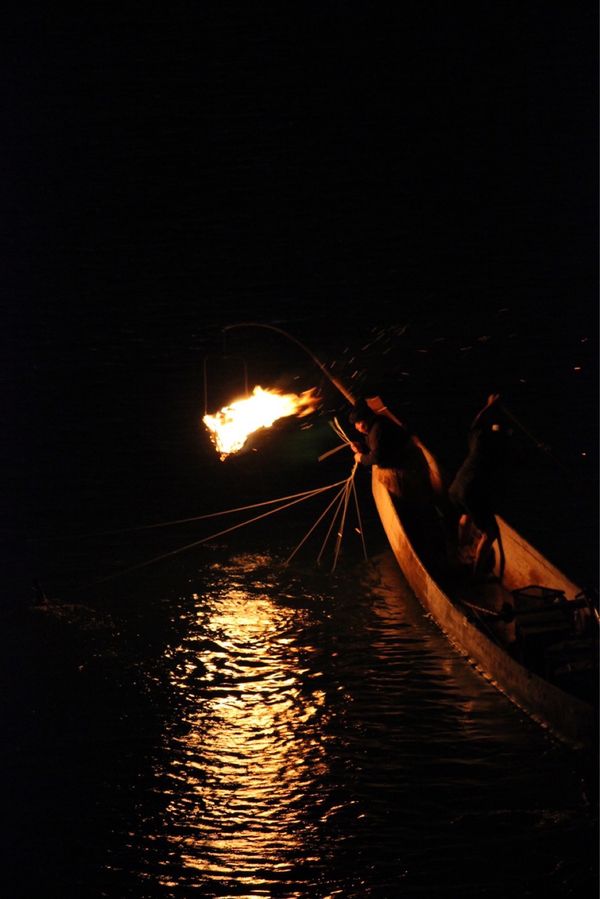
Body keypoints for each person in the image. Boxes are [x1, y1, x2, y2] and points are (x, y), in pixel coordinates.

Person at [349, 399, 441, 554]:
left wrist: (360, 458)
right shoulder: (373, 428)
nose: (358, 428)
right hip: (403, 468)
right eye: (356, 425)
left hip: (408, 470)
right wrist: (362, 448)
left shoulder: (379, 428)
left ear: (369, 418)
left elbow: (378, 457)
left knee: (420, 506)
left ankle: (434, 542)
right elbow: (378, 448)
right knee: (416, 506)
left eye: (360, 423)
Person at [447, 393, 509, 577]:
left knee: (466, 516)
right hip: (471, 491)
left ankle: (462, 550)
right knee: (490, 533)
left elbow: (477, 422)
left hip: (455, 488)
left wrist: (489, 406)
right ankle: (476, 574)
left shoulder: (478, 438)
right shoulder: (500, 446)